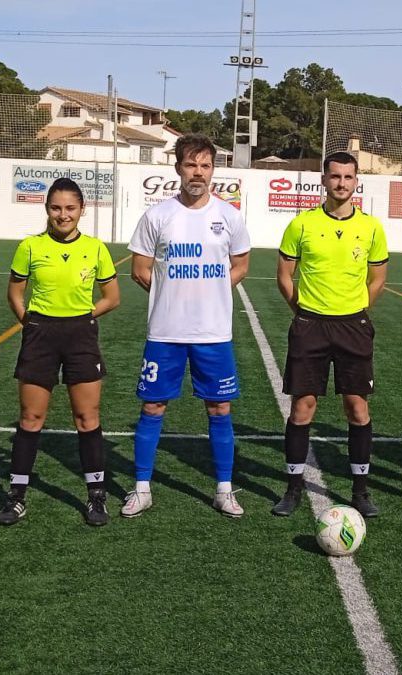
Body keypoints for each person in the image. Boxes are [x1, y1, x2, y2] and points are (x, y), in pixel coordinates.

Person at [122, 134, 251, 518]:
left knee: (219, 408)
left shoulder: (228, 216)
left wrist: (210, 289)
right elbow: (140, 270)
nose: (199, 172)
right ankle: (142, 487)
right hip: (165, 332)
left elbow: (241, 264)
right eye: (191, 165)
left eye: (206, 165)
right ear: (178, 167)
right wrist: (174, 291)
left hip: (213, 334)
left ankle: (224, 490)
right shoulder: (158, 216)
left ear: (214, 170)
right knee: (153, 405)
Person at [0, 177, 121, 527]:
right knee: (31, 419)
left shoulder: (96, 248)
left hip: (81, 337)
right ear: (46, 209)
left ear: (82, 209)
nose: (62, 215)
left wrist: (84, 317)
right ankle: (17, 496)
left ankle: (96, 497)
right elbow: (15, 294)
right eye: (56, 208)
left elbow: (112, 298)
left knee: (87, 418)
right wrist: (32, 324)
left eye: (70, 208)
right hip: (41, 337)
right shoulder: (30, 247)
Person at [272, 151, 388, 518]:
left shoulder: (370, 227)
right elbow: (284, 276)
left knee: (357, 407)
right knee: (302, 407)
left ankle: (360, 490)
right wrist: (305, 312)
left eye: (348, 177)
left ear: (356, 182)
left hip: (353, 326)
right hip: (311, 326)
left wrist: (357, 312)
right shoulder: (301, 224)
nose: (341, 183)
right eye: (335, 176)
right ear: (323, 180)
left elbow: (378, 277)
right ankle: (292, 488)